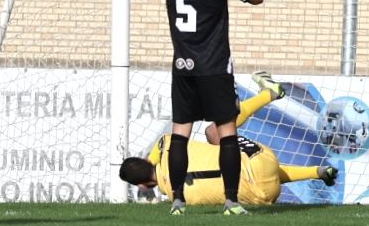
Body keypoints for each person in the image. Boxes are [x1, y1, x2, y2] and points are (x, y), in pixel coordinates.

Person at [163, 0, 264, 217]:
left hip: (182, 66)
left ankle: (177, 202)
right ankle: (231, 202)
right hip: (215, 67)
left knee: (180, 132)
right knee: (227, 132)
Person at [118, 73, 337, 204]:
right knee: (215, 133)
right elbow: (165, 139)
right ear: (147, 160)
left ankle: (316, 173)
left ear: (143, 185)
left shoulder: (180, 198)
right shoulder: (166, 147)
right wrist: (152, 158)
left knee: (247, 177)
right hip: (261, 158)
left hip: (265, 196)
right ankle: (269, 94)